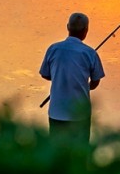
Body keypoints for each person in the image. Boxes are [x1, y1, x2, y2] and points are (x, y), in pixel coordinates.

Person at [40, 12, 105, 143]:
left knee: (57, 153)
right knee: (79, 153)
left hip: (56, 112)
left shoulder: (53, 49)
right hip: (80, 116)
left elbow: (45, 74)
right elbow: (96, 81)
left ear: (67, 27)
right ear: (86, 30)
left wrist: (61, 78)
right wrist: (85, 85)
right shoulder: (90, 53)